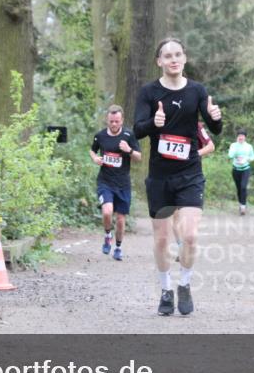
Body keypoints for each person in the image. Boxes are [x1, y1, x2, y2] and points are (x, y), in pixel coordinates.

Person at [133, 38, 222, 316]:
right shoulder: (149, 92)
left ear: (184, 59)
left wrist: (215, 117)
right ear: (159, 61)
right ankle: (165, 290)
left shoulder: (197, 90)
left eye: (178, 54)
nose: (173, 59)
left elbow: (215, 130)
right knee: (161, 240)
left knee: (190, 236)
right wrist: (153, 124)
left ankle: (184, 284)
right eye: (167, 55)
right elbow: (136, 130)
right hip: (160, 177)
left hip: (190, 173)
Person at [89, 105, 142, 260]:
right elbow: (92, 150)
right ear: (107, 119)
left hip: (123, 184)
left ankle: (118, 247)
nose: (113, 124)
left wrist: (129, 150)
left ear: (122, 120)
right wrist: (95, 158)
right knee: (107, 211)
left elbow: (139, 157)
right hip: (105, 181)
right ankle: (107, 236)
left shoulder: (128, 135)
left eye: (116, 121)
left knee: (120, 220)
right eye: (111, 121)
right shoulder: (100, 136)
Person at [172, 121, 214, 260]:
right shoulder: (168, 123)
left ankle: (185, 245)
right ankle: (180, 247)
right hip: (171, 177)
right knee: (176, 217)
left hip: (191, 178)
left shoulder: (196, 126)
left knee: (188, 217)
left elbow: (211, 146)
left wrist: (194, 154)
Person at [228, 128, 254, 215]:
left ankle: (243, 207)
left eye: (242, 136)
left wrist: (246, 159)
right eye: (239, 136)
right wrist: (236, 146)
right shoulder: (233, 145)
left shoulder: (249, 146)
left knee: (243, 187)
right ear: (237, 137)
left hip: (245, 169)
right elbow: (230, 155)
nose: (241, 137)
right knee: (239, 188)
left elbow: (253, 157)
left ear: (245, 137)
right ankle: (241, 204)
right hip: (236, 170)